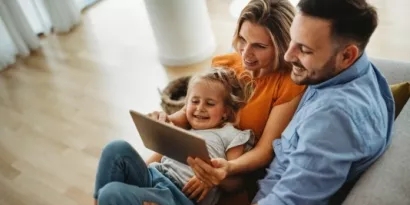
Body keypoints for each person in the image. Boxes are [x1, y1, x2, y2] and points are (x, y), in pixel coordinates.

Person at [188, 0, 396, 204]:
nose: (288, 56)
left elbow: (288, 199)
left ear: (347, 56)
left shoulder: (332, 121)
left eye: (304, 49)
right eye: (291, 42)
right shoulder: (352, 68)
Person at [147, 0, 306, 204]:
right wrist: (163, 121)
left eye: (259, 46)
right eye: (242, 39)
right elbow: (188, 114)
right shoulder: (226, 64)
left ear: (282, 46)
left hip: (236, 167)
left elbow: (264, 152)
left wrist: (223, 169)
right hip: (200, 149)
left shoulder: (288, 84)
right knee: (131, 174)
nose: (245, 53)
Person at [93, 68, 257, 205]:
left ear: (225, 112)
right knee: (116, 148)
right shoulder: (186, 128)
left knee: (111, 192)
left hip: (179, 196)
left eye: (210, 103)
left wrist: (213, 178)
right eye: (195, 101)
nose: (200, 108)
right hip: (154, 176)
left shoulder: (231, 134)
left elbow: (237, 183)